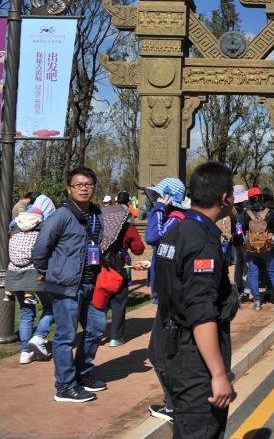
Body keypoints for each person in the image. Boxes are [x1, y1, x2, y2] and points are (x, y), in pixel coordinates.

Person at [152, 162, 238, 439]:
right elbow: (201, 313)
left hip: (173, 347)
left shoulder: (175, 231)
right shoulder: (202, 242)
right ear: (224, 199)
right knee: (201, 430)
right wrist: (218, 373)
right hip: (195, 361)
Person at [31, 167, 107, 402]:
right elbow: (40, 247)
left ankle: (81, 374)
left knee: (96, 328)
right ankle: (64, 387)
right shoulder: (61, 215)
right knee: (65, 337)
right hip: (65, 286)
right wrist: (45, 271)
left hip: (89, 283)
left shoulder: (96, 214)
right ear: (69, 189)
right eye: (78, 185)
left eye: (88, 184)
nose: (83, 188)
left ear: (94, 187)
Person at [143, 177, 190, 421]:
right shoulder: (174, 220)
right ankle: (175, 402)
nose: (152, 199)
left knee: (159, 353)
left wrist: (159, 208)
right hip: (170, 294)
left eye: (157, 196)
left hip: (171, 299)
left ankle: (174, 405)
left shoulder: (174, 218)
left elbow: (152, 237)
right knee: (166, 351)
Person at [6, 194, 56, 364]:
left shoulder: (15, 224)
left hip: (15, 273)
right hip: (37, 274)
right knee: (53, 307)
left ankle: (25, 352)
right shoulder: (44, 226)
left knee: (27, 313)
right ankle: (39, 336)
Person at [101, 201, 145, 346]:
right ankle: (116, 337)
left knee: (99, 301)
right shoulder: (128, 228)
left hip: (99, 268)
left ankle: (95, 334)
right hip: (119, 269)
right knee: (118, 302)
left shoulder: (100, 225)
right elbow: (138, 249)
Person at [241, 187, 274, 310]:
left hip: (252, 248)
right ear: (261, 197)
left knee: (253, 273)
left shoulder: (245, 213)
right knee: (272, 274)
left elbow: (241, 229)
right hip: (267, 247)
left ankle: (257, 302)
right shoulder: (269, 212)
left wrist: (246, 238)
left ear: (249, 198)